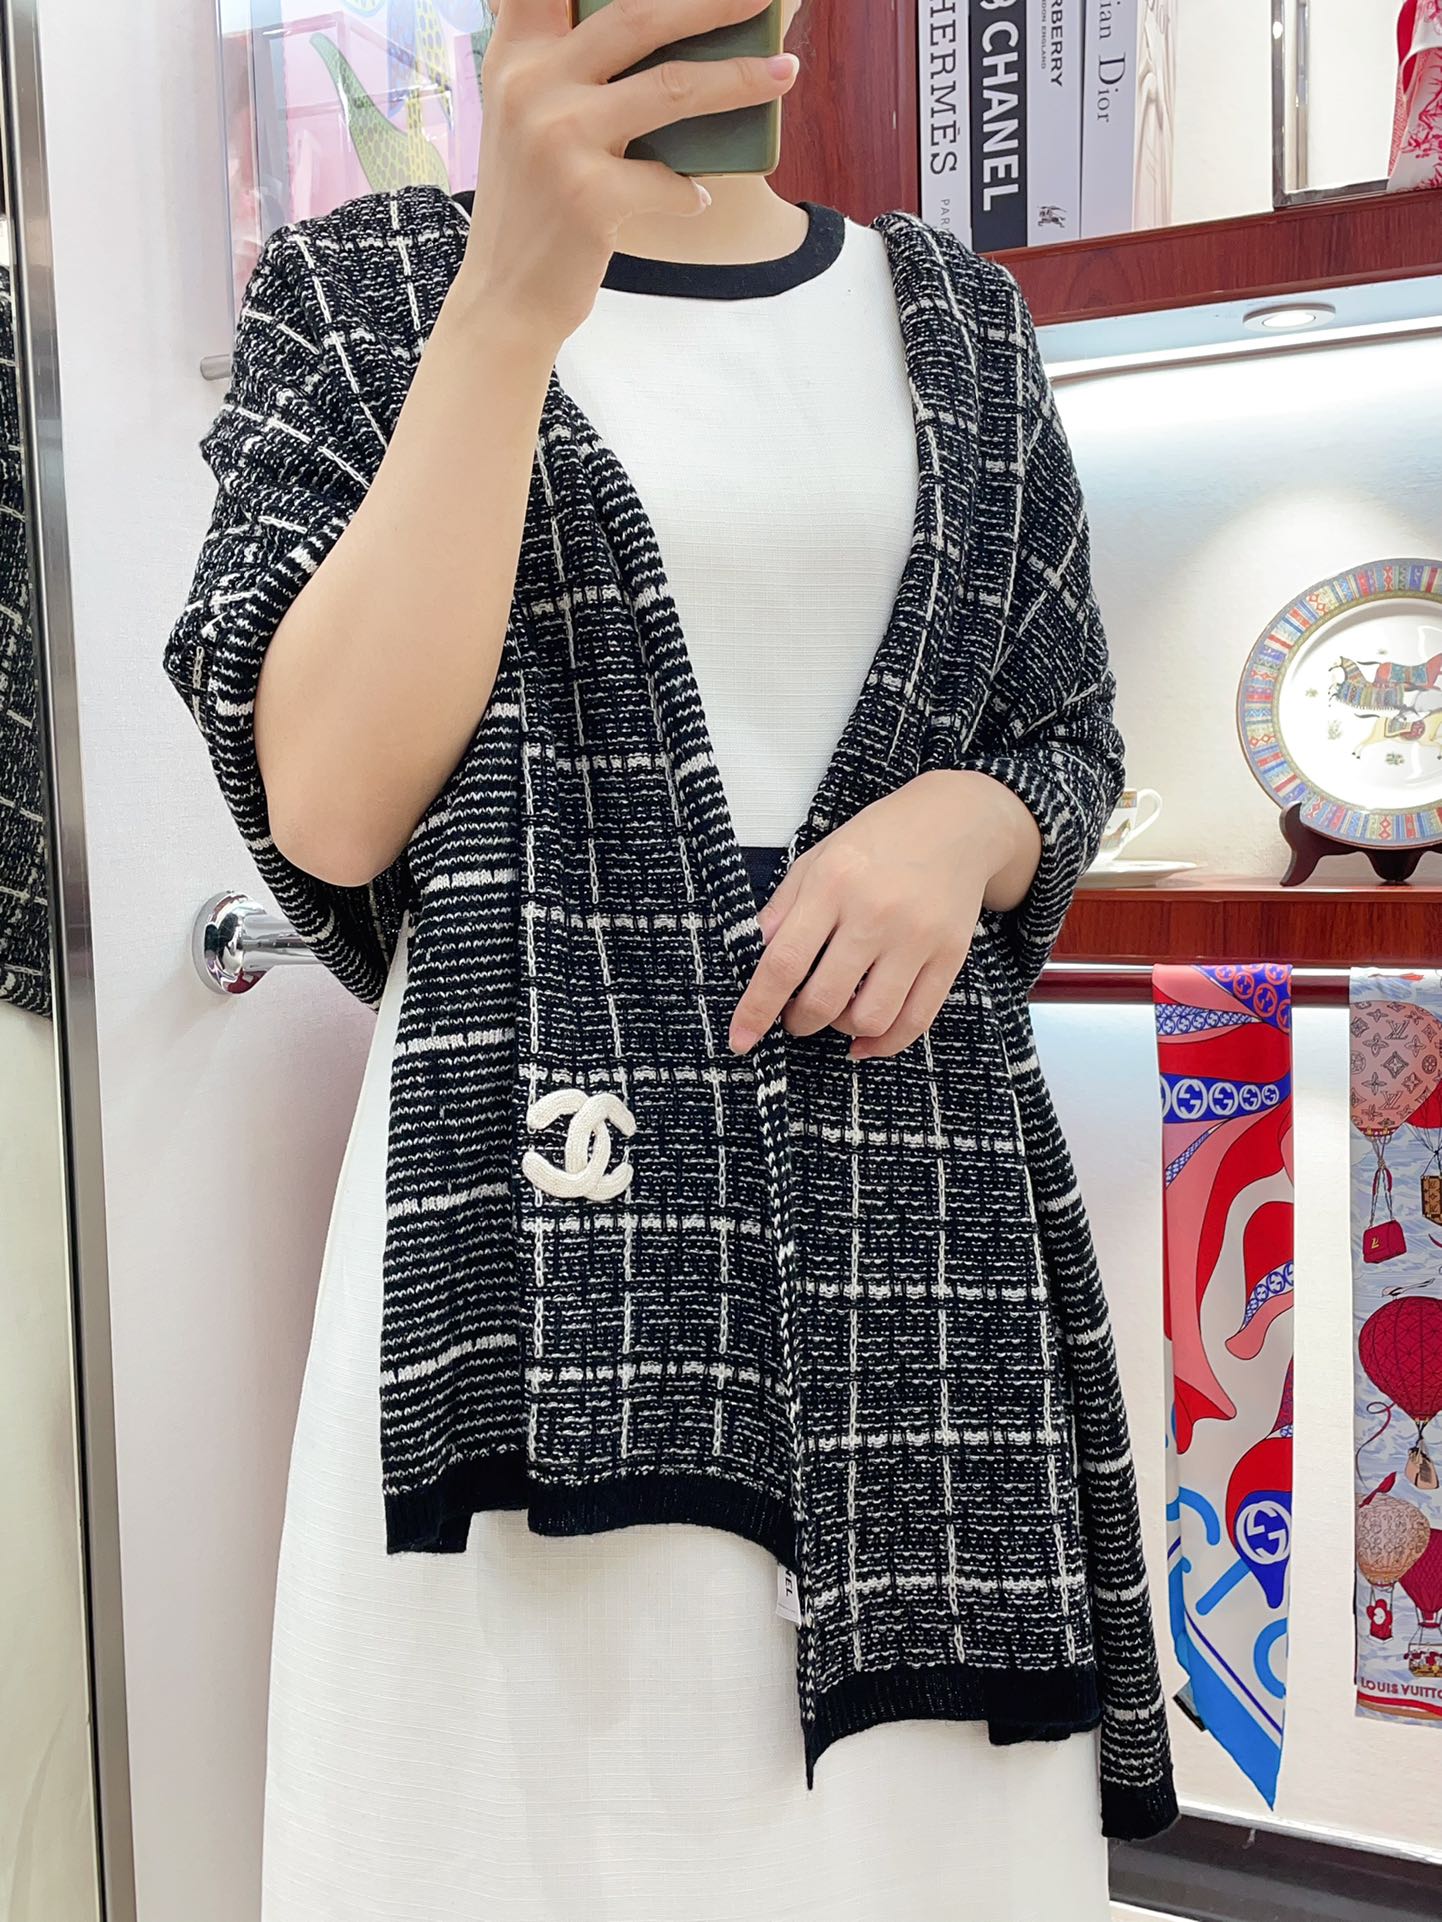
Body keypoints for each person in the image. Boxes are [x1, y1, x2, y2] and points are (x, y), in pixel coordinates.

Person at [164, 2, 1177, 1916]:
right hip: (530, 1249)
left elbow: (1064, 739)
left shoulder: (961, 325)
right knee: (519, 1844)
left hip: (919, 1272)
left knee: (904, 1862)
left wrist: (968, 826)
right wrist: (506, 303)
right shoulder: (360, 291)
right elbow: (329, 806)